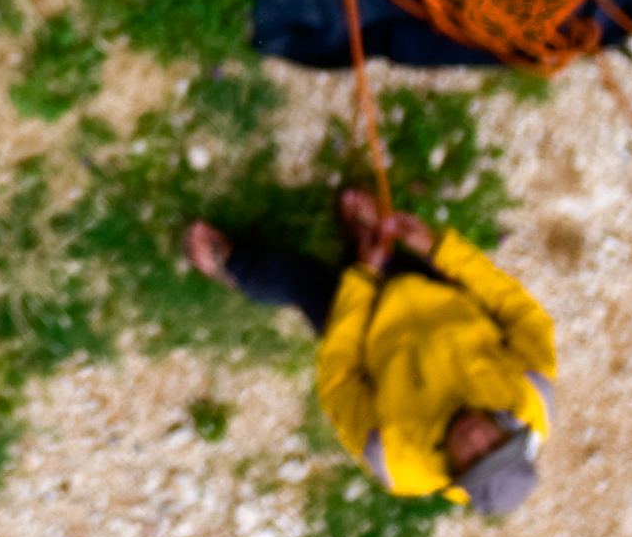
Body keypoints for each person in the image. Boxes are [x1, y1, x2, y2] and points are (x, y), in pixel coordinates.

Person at [182, 188, 555, 517]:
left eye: (472, 458)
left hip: (365, 331)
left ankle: (230, 264)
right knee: (393, 244)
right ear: (510, 435)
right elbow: (518, 310)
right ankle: (366, 236)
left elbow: (338, 382)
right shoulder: (532, 394)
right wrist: (440, 248)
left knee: (296, 280)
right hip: (436, 293)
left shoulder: (397, 463)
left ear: (454, 473)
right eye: (493, 442)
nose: (475, 438)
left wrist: (361, 283)